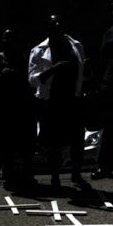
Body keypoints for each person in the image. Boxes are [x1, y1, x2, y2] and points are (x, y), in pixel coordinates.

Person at [28, 14, 88, 187]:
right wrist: (52, 70)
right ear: (48, 28)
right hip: (51, 101)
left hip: (73, 99)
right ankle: (55, 177)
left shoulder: (76, 46)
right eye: (54, 24)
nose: (58, 27)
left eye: (61, 24)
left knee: (77, 140)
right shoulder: (38, 50)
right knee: (54, 143)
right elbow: (32, 79)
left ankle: (76, 174)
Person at [0, 29, 37, 190]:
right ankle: (10, 176)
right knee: (7, 146)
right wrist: (1, 75)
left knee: (26, 145)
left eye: (11, 38)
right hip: (4, 111)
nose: (7, 41)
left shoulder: (24, 59)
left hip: (22, 109)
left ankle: (26, 174)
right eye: (5, 38)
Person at [91, 1, 113, 180]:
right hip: (111, 84)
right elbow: (102, 59)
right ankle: (105, 166)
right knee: (110, 128)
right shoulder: (110, 33)